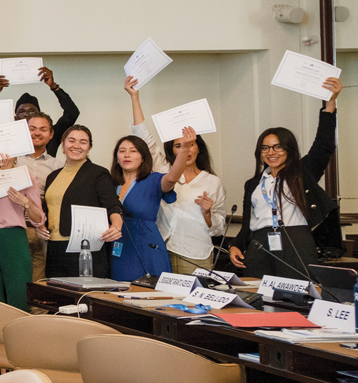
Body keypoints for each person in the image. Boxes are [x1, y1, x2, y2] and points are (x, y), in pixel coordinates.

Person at [230, 77, 342, 278]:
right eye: (265, 148)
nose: (270, 152)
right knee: (257, 294)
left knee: (297, 295)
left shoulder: (302, 172)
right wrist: (236, 245)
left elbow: (324, 145)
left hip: (295, 239)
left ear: (289, 149)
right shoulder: (254, 184)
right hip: (260, 242)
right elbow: (251, 220)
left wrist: (330, 103)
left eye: (277, 147)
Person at [124, 83, 229, 274]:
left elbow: (219, 229)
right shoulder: (163, 170)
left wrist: (207, 213)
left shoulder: (212, 182)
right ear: (172, 151)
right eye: (179, 146)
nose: (185, 150)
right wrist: (134, 97)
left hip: (195, 253)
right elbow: (143, 136)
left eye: (190, 144)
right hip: (160, 248)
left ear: (199, 148)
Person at [108, 123, 188, 282]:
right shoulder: (109, 183)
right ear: (116, 158)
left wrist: (184, 149)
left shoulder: (153, 180)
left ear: (143, 157)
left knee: (148, 295)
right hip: (116, 246)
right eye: (122, 151)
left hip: (147, 246)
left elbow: (172, 178)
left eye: (133, 151)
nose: (127, 155)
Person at [41, 125, 124, 278]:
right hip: (54, 247)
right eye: (71, 140)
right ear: (63, 144)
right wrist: (41, 227)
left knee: (84, 298)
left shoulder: (98, 173)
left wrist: (117, 226)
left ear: (89, 147)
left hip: (84, 248)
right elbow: (48, 210)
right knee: (57, 297)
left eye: (83, 142)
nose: (76, 146)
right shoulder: (52, 176)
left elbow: (112, 204)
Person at [0, 154, 46, 311]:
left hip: (14, 239)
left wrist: (25, 203)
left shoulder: (27, 177)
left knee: (19, 299)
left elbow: (38, 219)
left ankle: (18, 335)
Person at [19, 111, 65, 281]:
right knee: (15, 282)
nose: (37, 133)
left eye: (43, 129)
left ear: (51, 134)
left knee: (39, 284)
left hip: (42, 232)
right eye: (32, 128)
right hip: (14, 230)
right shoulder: (12, 160)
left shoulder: (58, 166)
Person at [0, 64, 80, 149]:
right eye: (21, 112)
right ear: (15, 117)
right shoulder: (7, 137)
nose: (27, 114)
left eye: (32, 111)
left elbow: (72, 113)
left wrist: (54, 87)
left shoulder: (50, 136)